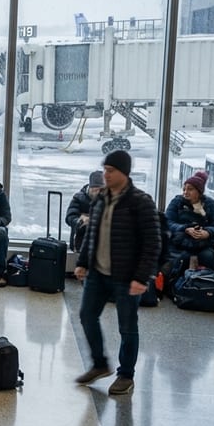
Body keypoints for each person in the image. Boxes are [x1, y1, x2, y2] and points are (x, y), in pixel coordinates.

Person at [74, 150, 161, 396]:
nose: (106, 175)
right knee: (87, 316)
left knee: (127, 327)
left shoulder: (140, 202)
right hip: (98, 274)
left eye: (111, 171)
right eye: (105, 170)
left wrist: (141, 278)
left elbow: (152, 242)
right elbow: (92, 233)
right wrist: (82, 262)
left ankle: (126, 375)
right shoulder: (101, 198)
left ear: (124, 173)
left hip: (126, 277)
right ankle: (100, 364)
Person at [165, 170, 214, 275]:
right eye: (184, 189)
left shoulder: (210, 205)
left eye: (190, 189)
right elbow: (168, 222)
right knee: (180, 260)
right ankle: (172, 287)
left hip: (203, 243)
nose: (185, 192)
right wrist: (185, 228)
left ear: (199, 191)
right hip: (180, 241)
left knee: (207, 258)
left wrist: (207, 232)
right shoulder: (177, 202)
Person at [66, 171, 104, 252]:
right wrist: (79, 221)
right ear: (91, 187)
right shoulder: (79, 198)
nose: (99, 193)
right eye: (97, 189)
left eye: (102, 190)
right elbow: (70, 216)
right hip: (81, 242)